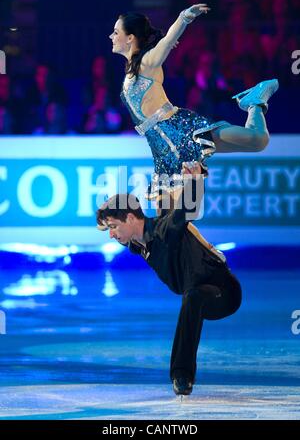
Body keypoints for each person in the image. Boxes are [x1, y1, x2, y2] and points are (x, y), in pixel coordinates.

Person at [96, 162, 242, 396]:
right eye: (109, 229)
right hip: (197, 291)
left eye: (114, 226)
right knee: (192, 297)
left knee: (193, 297)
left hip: (223, 292)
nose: (111, 234)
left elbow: (184, 212)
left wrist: (194, 181)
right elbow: (164, 209)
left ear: (131, 218)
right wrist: (105, 216)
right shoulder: (137, 243)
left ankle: (182, 376)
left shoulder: (165, 231)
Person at [109, 4, 279, 202]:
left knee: (258, 140)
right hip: (162, 150)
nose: (111, 37)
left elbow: (166, 42)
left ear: (130, 38)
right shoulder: (130, 73)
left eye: (115, 32)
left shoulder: (147, 64)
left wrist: (184, 17)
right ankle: (253, 103)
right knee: (170, 221)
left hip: (184, 131)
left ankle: (254, 102)